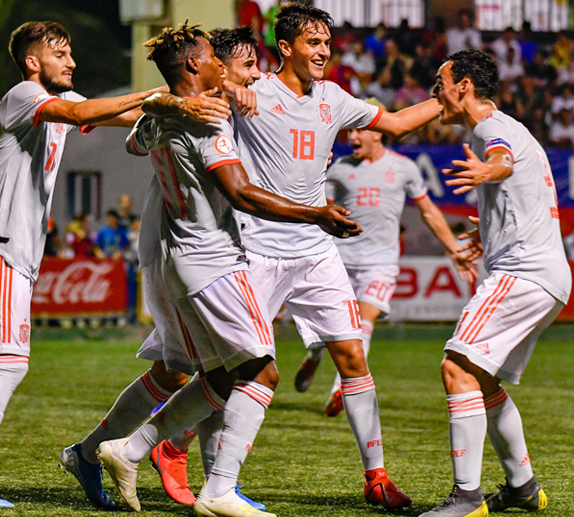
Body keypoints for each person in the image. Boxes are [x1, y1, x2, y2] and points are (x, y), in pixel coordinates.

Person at [0, 19, 192, 507]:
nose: (72, 62)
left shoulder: (55, 103)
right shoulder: (24, 95)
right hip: (3, 247)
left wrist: (177, 106)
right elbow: (89, 111)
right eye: (61, 53)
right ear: (34, 62)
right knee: (11, 363)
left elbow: (112, 117)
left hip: (14, 252)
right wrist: (161, 91)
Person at [96, 21, 361, 517]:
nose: (234, 71)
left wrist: (170, 100)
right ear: (197, 63)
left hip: (173, 257)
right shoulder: (210, 117)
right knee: (260, 371)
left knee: (217, 376)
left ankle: (127, 450)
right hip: (213, 258)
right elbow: (240, 192)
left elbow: (138, 135)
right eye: (219, 61)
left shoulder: (159, 118)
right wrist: (316, 213)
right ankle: (218, 490)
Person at [218, 3, 443, 509]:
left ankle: (377, 476)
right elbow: (196, 90)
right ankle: (173, 450)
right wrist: (223, 88)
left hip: (317, 249)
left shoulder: (334, 99)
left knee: (353, 355)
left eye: (326, 43)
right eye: (313, 43)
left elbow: (400, 123)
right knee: (231, 370)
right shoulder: (253, 93)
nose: (324, 52)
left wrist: (448, 99)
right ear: (286, 47)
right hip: (257, 249)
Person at [61, 25, 267, 511]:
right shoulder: (202, 110)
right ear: (211, 64)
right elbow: (149, 118)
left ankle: (103, 453)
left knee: (194, 370)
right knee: (229, 370)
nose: (257, 77)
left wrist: (193, 97)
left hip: (202, 250)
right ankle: (182, 468)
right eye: (247, 67)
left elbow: (141, 127)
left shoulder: (217, 101)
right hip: (183, 250)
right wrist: (178, 101)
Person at [420, 49, 570, 517]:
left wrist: (490, 169)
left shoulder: (490, 127)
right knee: (480, 380)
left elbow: (502, 159)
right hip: (546, 274)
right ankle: (523, 488)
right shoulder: (508, 126)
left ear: (464, 84)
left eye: (440, 81)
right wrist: (487, 232)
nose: (434, 92)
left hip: (524, 273)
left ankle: (466, 498)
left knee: (456, 367)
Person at [293, 99, 476, 417]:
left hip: (381, 263)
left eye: (358, 130)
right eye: (349, 131)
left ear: (377, 132)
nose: (351, 138)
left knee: (363, 324)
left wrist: (452, 249)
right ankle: (315, 356)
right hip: (339, 260)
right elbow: (318, 209)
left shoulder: (403, 168)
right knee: (329, 331)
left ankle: (341, 388)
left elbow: (428, 211)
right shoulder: (339, 170)